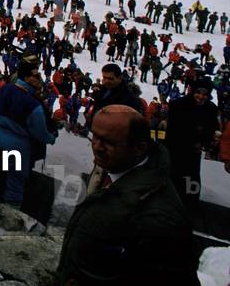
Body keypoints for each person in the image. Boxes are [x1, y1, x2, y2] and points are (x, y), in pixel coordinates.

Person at [56, 105, 198, 284]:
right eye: (95, 137)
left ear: (139, 148)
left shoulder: (159, 220)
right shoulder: (113, 169)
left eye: (109, 142)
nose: (97, 148)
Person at [0, 60, 55, 206]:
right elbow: (40, 132)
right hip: (19, 143)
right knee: (16, 181)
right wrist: (51, 138)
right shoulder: (33, 104)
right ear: (26, 78)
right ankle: (10, 216)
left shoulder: (5, 89)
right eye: (35, 75)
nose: (38, 78)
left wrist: (1, 123)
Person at [164, 78, 220, 211]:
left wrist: (204, 142)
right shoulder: (180, 104)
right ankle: (169, 202)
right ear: (193, 91)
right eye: (198, 92)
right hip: (176, 148)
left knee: (191, 177)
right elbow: (172, 128)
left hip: (194, 151)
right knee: (174, 175)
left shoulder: (211, 108)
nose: (201, 97)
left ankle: (190, 204)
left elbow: (211, 129)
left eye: (205, 94)